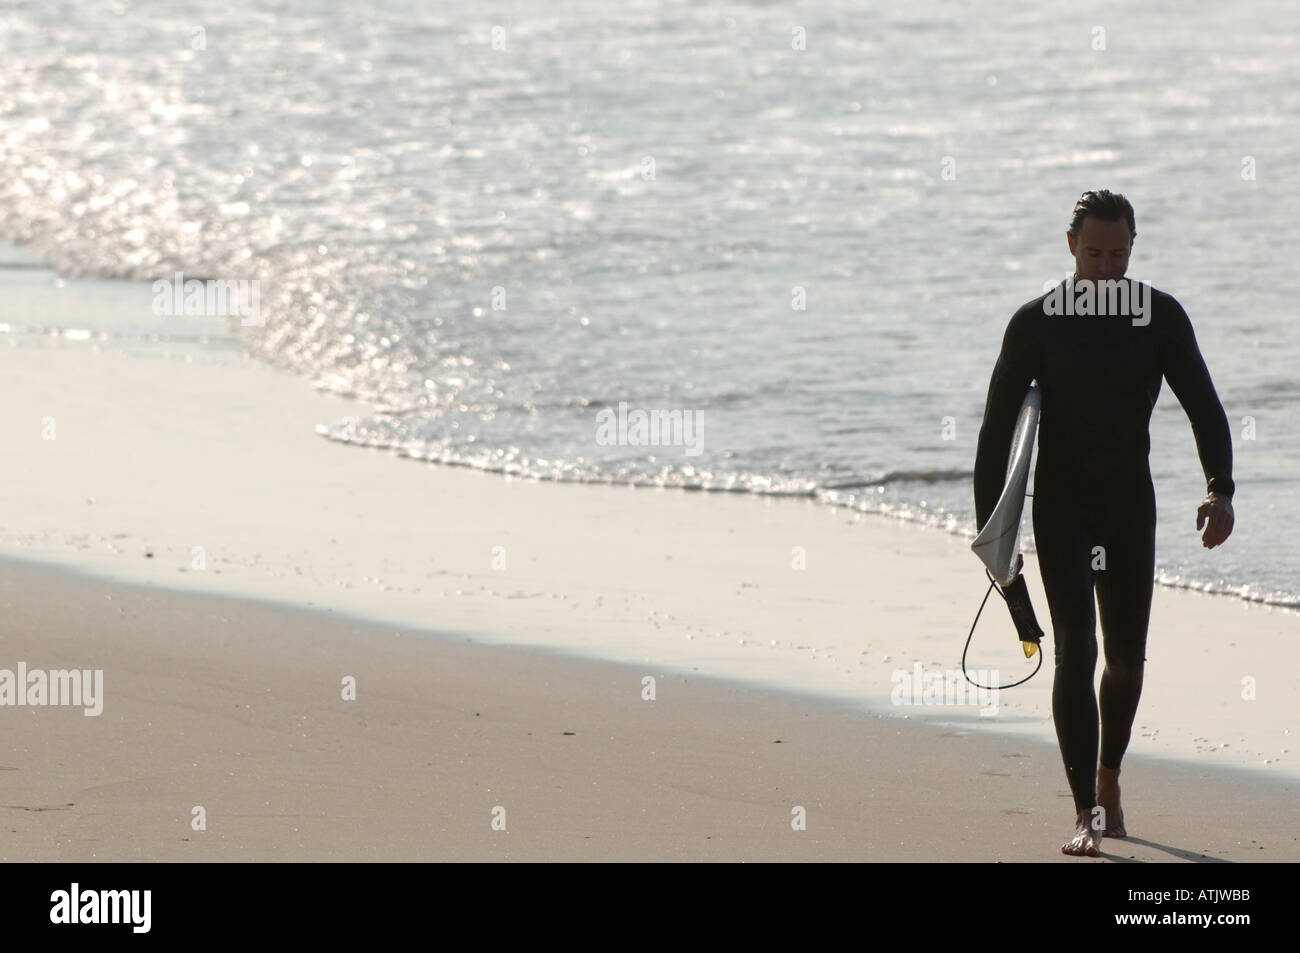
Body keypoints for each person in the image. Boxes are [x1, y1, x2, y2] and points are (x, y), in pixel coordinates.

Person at [973, 190, 1235, 857]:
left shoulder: (1159, 319)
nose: (1107, 266)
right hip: (1061, 508)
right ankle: (1085, 811)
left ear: (1132, 248)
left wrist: (1220, 490)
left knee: (1123, 661)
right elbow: (993, 441)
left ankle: (1109, 773)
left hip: (1127, 509)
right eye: (1094, 253)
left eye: (1119, 253)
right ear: (1070, 248)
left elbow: (1205, 405)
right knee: (1077, 653)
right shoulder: (1036, 324)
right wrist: (995, 550)